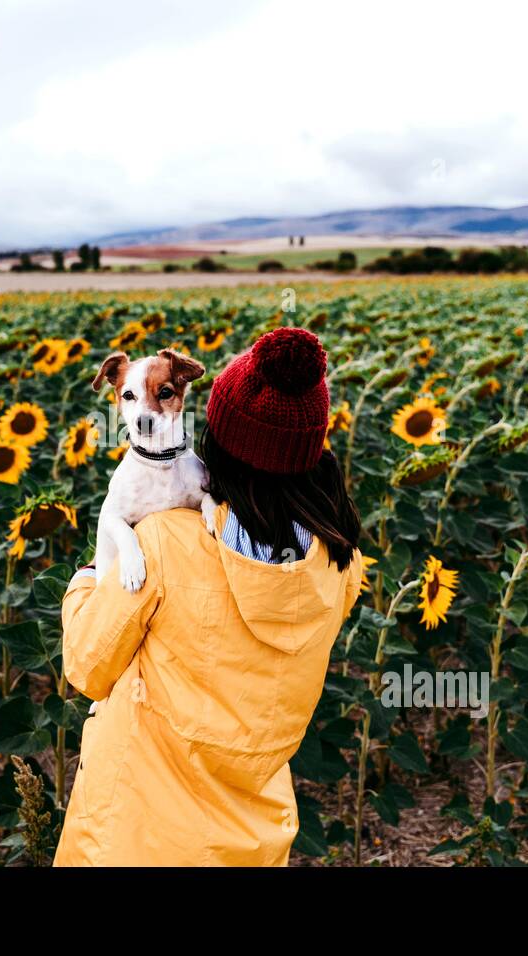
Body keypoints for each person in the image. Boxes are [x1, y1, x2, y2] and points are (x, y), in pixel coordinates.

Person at [53, 327, 365, 866]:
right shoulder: (340, 562)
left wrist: (88, 577)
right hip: (253, 831)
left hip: (137, 835)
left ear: (216, 439)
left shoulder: (162, 545)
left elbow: (86, 666)